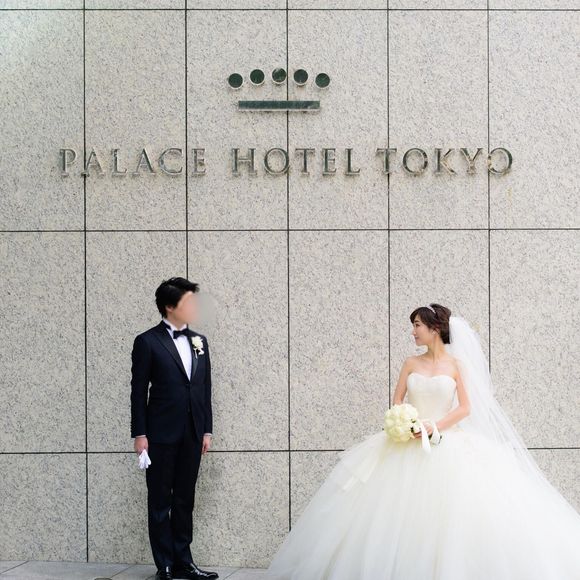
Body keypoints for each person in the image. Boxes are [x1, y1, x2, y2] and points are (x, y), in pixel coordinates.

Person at [267, 303, 580, 580]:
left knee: (449, 513)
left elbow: (465, 407)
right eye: (413, 325)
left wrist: (434, 426)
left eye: (417, 325)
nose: (413, 331)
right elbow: (397, 401)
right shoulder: (410, 363)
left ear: (434, 329)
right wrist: (405, 422)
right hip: (407, 441)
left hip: (445, 440)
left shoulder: (457, 366)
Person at [130, 277, 219, 580]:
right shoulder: (147, 342)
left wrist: (206, 430)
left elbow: (204, 388)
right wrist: (140, 434)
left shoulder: (200, 341)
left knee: (184, 499)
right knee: (159, 500)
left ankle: (184, 560)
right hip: (159, 434)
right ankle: (164, 565)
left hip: (192, 433)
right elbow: (138, 391)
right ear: (170, 306)